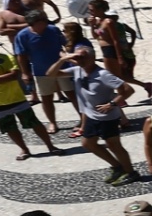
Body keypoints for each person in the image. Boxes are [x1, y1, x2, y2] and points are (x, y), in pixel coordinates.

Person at [51, 42, 134, 182]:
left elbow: (128, 90)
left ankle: (130, 172)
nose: (79, 60)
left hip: (107, 118)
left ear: (92, 57)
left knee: (115, 146)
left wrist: (112, 104)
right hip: (91, 116)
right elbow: (51, 74)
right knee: (87, 144)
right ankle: (117, 167)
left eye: (82, 57)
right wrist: (63, 59)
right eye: (76, 58)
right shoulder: (77, 70)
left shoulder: (103, 74)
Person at [0, 33, 57, 160]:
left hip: (17, 99)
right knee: (10, 129)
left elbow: (14, 75)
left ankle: (50, 146)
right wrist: (3, 78)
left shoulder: (6, 58)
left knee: (35, 124)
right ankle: (24, 150)